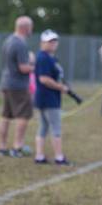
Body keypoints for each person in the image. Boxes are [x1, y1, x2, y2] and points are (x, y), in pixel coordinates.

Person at [0, 16, 35, 157]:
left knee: (5, 115)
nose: (32, 30)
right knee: (23, 116)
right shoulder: (20, 44)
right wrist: (34, 65)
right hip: (18, 85)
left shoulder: (8, 41)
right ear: (25, 28)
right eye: (31, 27)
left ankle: (2, 147)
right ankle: (17, 147)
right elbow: (23, 68)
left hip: (6, 83)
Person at [33, 30, 72, 165]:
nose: (53, 43)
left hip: (46, 97)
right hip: (48, 98)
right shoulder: (43, 57)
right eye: (50, 41)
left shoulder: (50, 57)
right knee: (55, 128)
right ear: (42, 43)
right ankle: (59, 157)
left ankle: (39, 156)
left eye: (55, 41)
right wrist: (61, 87)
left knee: (43, 127)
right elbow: (44, 79)